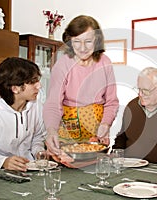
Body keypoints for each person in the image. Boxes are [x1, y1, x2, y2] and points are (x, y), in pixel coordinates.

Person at [43, 15, 119, 166]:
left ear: (96, 41)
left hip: (96, 131)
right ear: (70, 40)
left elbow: (111, 102)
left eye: (88, 41)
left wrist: (105, 124)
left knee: (95, 171)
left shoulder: (105, 62)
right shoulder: (63, 63)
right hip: (68, 130)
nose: (82, 48)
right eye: (77, 41)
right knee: (67, 169)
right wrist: (51, 131)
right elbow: (53, 103)